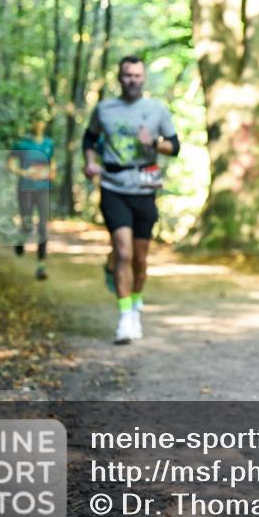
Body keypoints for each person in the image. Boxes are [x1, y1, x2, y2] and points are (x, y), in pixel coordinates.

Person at [82, 56, 180, 345]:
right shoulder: (104, 109)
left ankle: (136, 303)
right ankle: (125, 317)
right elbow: (89, 140)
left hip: (145, 186)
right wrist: (90, 163)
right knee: (122, 252)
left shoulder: (157, 110)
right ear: (119, 77)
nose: (132, 80)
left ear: (144, 78)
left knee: (140, 258)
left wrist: (153, 143)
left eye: (137, 75)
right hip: (113, 186)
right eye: (127, 75)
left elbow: (175, 147)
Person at [7, 112, 56, 280]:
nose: (39, 123)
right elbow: (11, 164)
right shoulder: (21, 143)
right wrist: (25, 172)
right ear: (32, 122)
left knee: (43, 226)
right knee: (27, 223)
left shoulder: (50, 143)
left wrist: (48, 173)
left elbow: (53, 166)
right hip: (25, 188)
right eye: (36, 119)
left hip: (43, 189)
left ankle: (41, 266)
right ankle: (21, 240)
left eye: (42, 120)